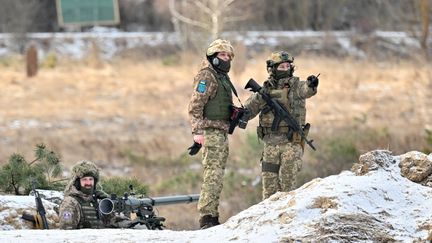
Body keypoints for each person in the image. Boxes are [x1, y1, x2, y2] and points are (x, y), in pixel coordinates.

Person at [244, 51, 319, 199]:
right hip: (270, 145)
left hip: (291, 144)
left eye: (287, 66)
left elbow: (307, 90)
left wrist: (312, 84)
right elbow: (249, 110)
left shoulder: (297, 86)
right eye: (281, 67)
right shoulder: (265, 89)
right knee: (269, 191)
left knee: (287, 189)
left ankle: (286, 220)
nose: (285, 69)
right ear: (272, 69)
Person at [188, 39, 238, 229]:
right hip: (210, 132)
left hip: (221, 131)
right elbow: (195, 106)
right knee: (213, 175)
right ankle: (207, 217)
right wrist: (197, 132)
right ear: (213, 57)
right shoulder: (206, 77)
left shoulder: (221, 77)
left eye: (228, 55)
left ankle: (211, 215)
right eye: (222, 55)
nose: (225, 58)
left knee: (217, 174)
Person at [59, 160, 132, 229]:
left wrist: (131, 223)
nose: (88, 183)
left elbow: (112, 222)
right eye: (84, 179)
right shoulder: (70, 202)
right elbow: (67, 230)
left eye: (91, 179)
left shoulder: (97, 199)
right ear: (77, 182)